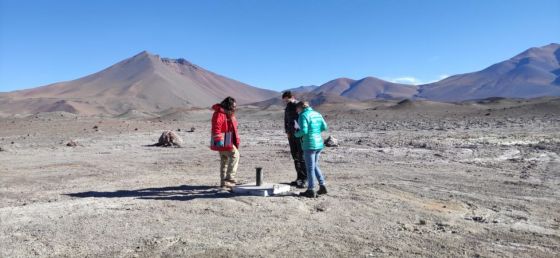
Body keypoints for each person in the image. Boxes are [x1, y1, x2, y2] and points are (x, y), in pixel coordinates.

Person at [294, 101, 328, 198]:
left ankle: (311, 189)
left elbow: (304, 130)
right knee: (315, 165)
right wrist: (315, 132)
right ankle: (322, 186)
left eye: (297, 109)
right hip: (319, 143)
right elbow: (324, 127)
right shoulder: (317, 114)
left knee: (309, 168)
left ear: (300, 108)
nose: (297, 111)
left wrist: (296, 134)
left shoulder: (303, 115)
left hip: (309, 144)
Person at [210, 97, 240, 188]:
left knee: (224, 159)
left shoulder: (226, 114)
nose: (235, 108)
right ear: (228, 105)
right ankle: (230, 178)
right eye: (233, 106)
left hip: (226, 137)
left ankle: (223, 183)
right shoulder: (220, 114)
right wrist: (219, 140)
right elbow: (216, 127)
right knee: (235, 155)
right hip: (222, 139)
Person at [282, 91, 307, 188]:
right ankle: (299, 178)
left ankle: (305, 179)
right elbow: (286, 119)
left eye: (287, 99)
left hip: (299, 134)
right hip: (291, 134)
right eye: (284, 100)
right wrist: (287, 131)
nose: (286, 101)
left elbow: (302, 118)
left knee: (301, 156)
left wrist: (300, 132)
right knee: (295, 155)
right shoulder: (288, 107)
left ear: (292, 97)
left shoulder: (298, 105)